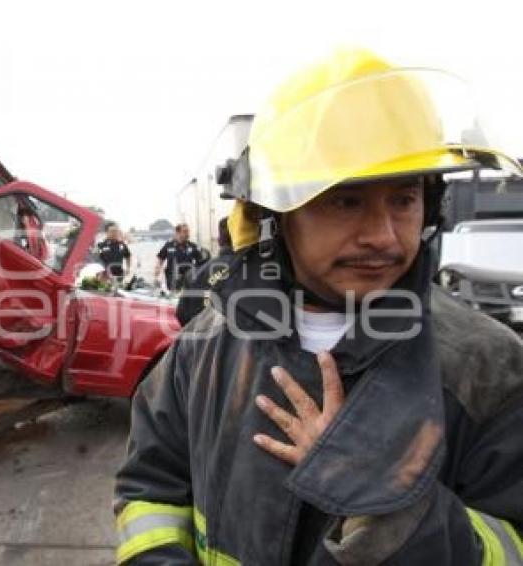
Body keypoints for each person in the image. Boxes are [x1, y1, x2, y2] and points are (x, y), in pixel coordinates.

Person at [115, 49, 523, 565]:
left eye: (403, 199)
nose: (383, 236)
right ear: (273, 215)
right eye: (345, 200)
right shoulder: (205, 347)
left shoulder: (487, 369)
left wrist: (388, 503)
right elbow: (150, 494)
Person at [156, 224, 205, 291]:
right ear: (177, 233)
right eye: (185, 232)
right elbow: (160, 259)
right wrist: (157, 272)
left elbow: (201, 262)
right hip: (173, 279)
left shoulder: (192, 246)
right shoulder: (169, 245)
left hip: (188, 279)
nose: (187, 234)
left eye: (188, 231)